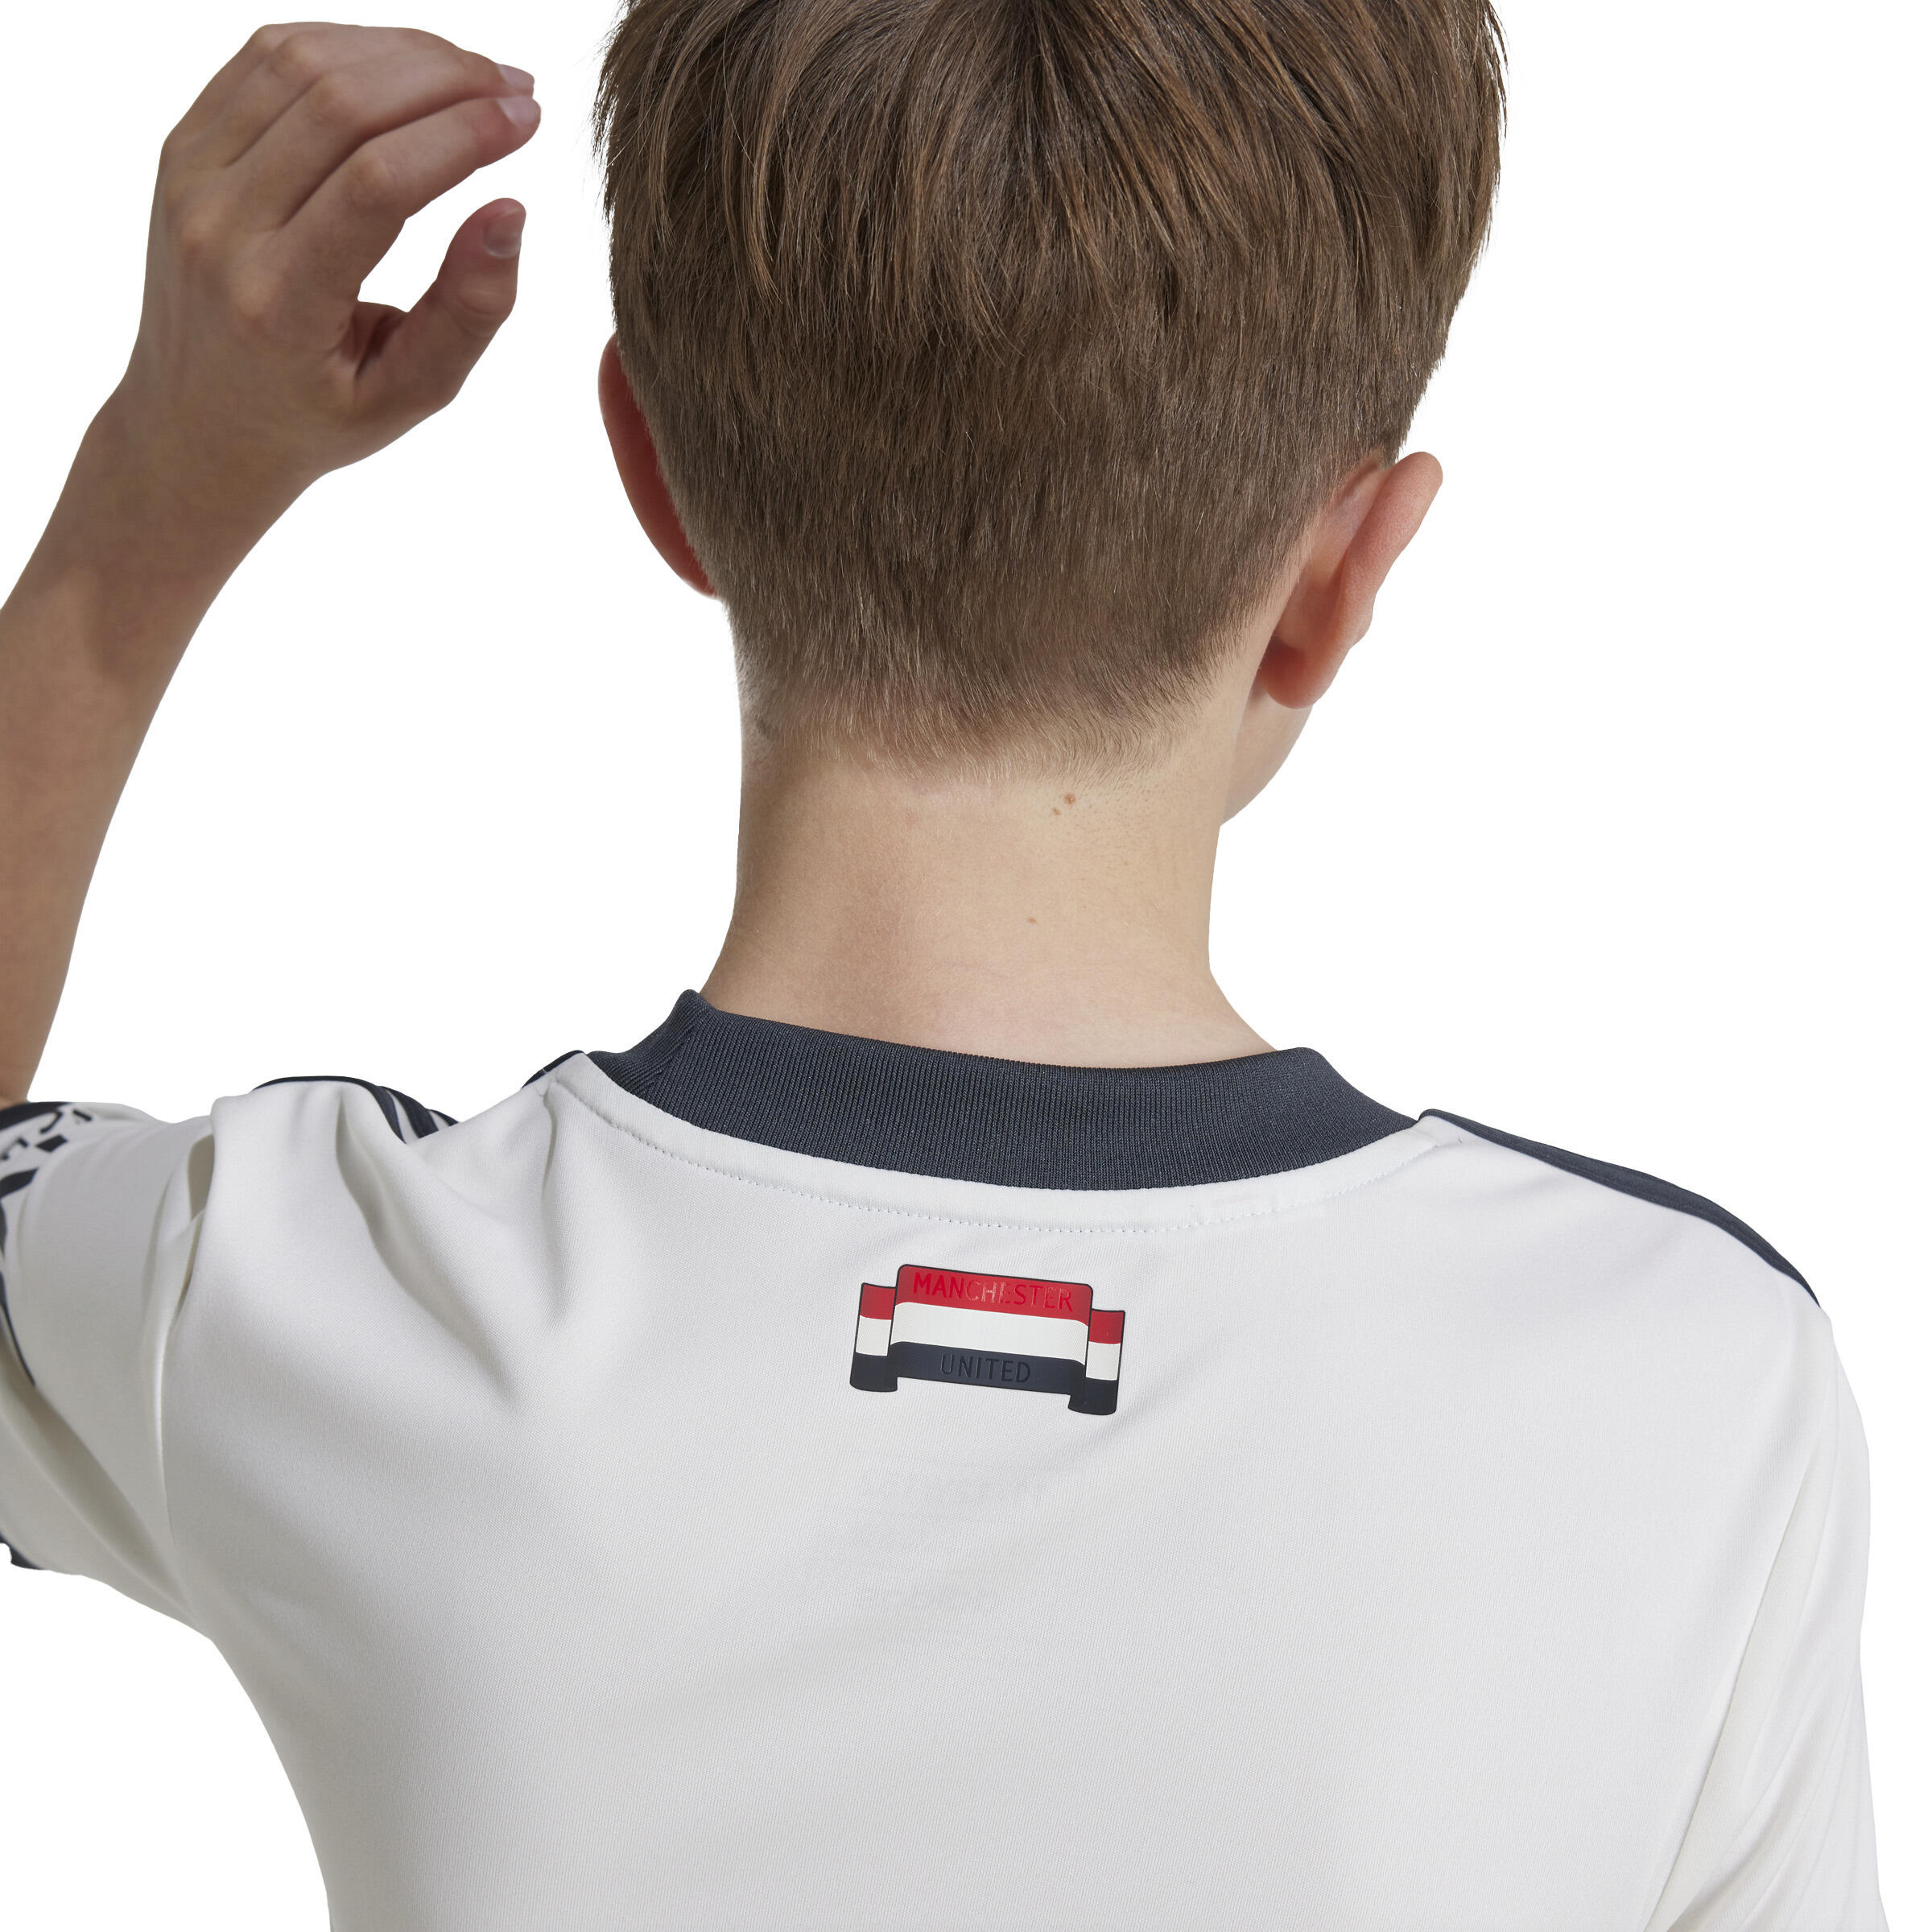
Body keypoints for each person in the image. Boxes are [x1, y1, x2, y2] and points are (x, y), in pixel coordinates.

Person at [0, 6, 1885, 1929]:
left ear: (653, 470)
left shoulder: (310, 1293)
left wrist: (154, 496)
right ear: (1347, 573)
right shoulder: (1686, 1388)